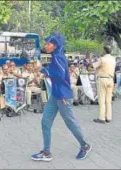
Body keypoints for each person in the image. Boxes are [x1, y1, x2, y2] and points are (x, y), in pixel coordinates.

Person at [31, 32, 91, 161]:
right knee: (45, 121)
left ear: (56, 45)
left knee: (70, 123)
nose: (46, 46)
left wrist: (43, 70)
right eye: (45, 43)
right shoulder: (55, 56)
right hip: (55, 94)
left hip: (63, 95)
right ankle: (46, 152)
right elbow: (56, 72)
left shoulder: (58, 56)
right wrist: (44, 70)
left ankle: (84, 146)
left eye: (48, 43)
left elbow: (60, 74)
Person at [92, 45, 116, 124]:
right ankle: (108, 117)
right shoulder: (113, 59)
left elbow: (93, 66)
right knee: (108, 100)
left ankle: (102, 118)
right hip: (110, 79)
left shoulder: (102, 59)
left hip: (102, 79)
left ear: (104, 51)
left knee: (102, 99)